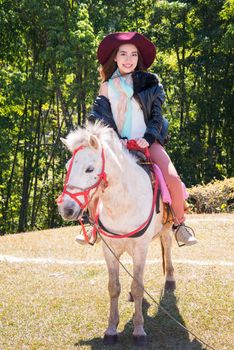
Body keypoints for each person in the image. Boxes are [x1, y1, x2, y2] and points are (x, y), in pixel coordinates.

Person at [76, 31, 197, 246]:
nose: (128, 59)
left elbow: (157, 116)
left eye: (133, 55)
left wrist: (149, 138)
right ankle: (94, 227)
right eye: (123, 54)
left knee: (173, 179)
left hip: (147, 141)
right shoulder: (106, 87)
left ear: (138, 58)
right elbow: (101, 118)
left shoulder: (151, 83)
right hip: (117, 145)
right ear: (115, 57)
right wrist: (115, 140)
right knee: (94, 176)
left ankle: (180, 224)